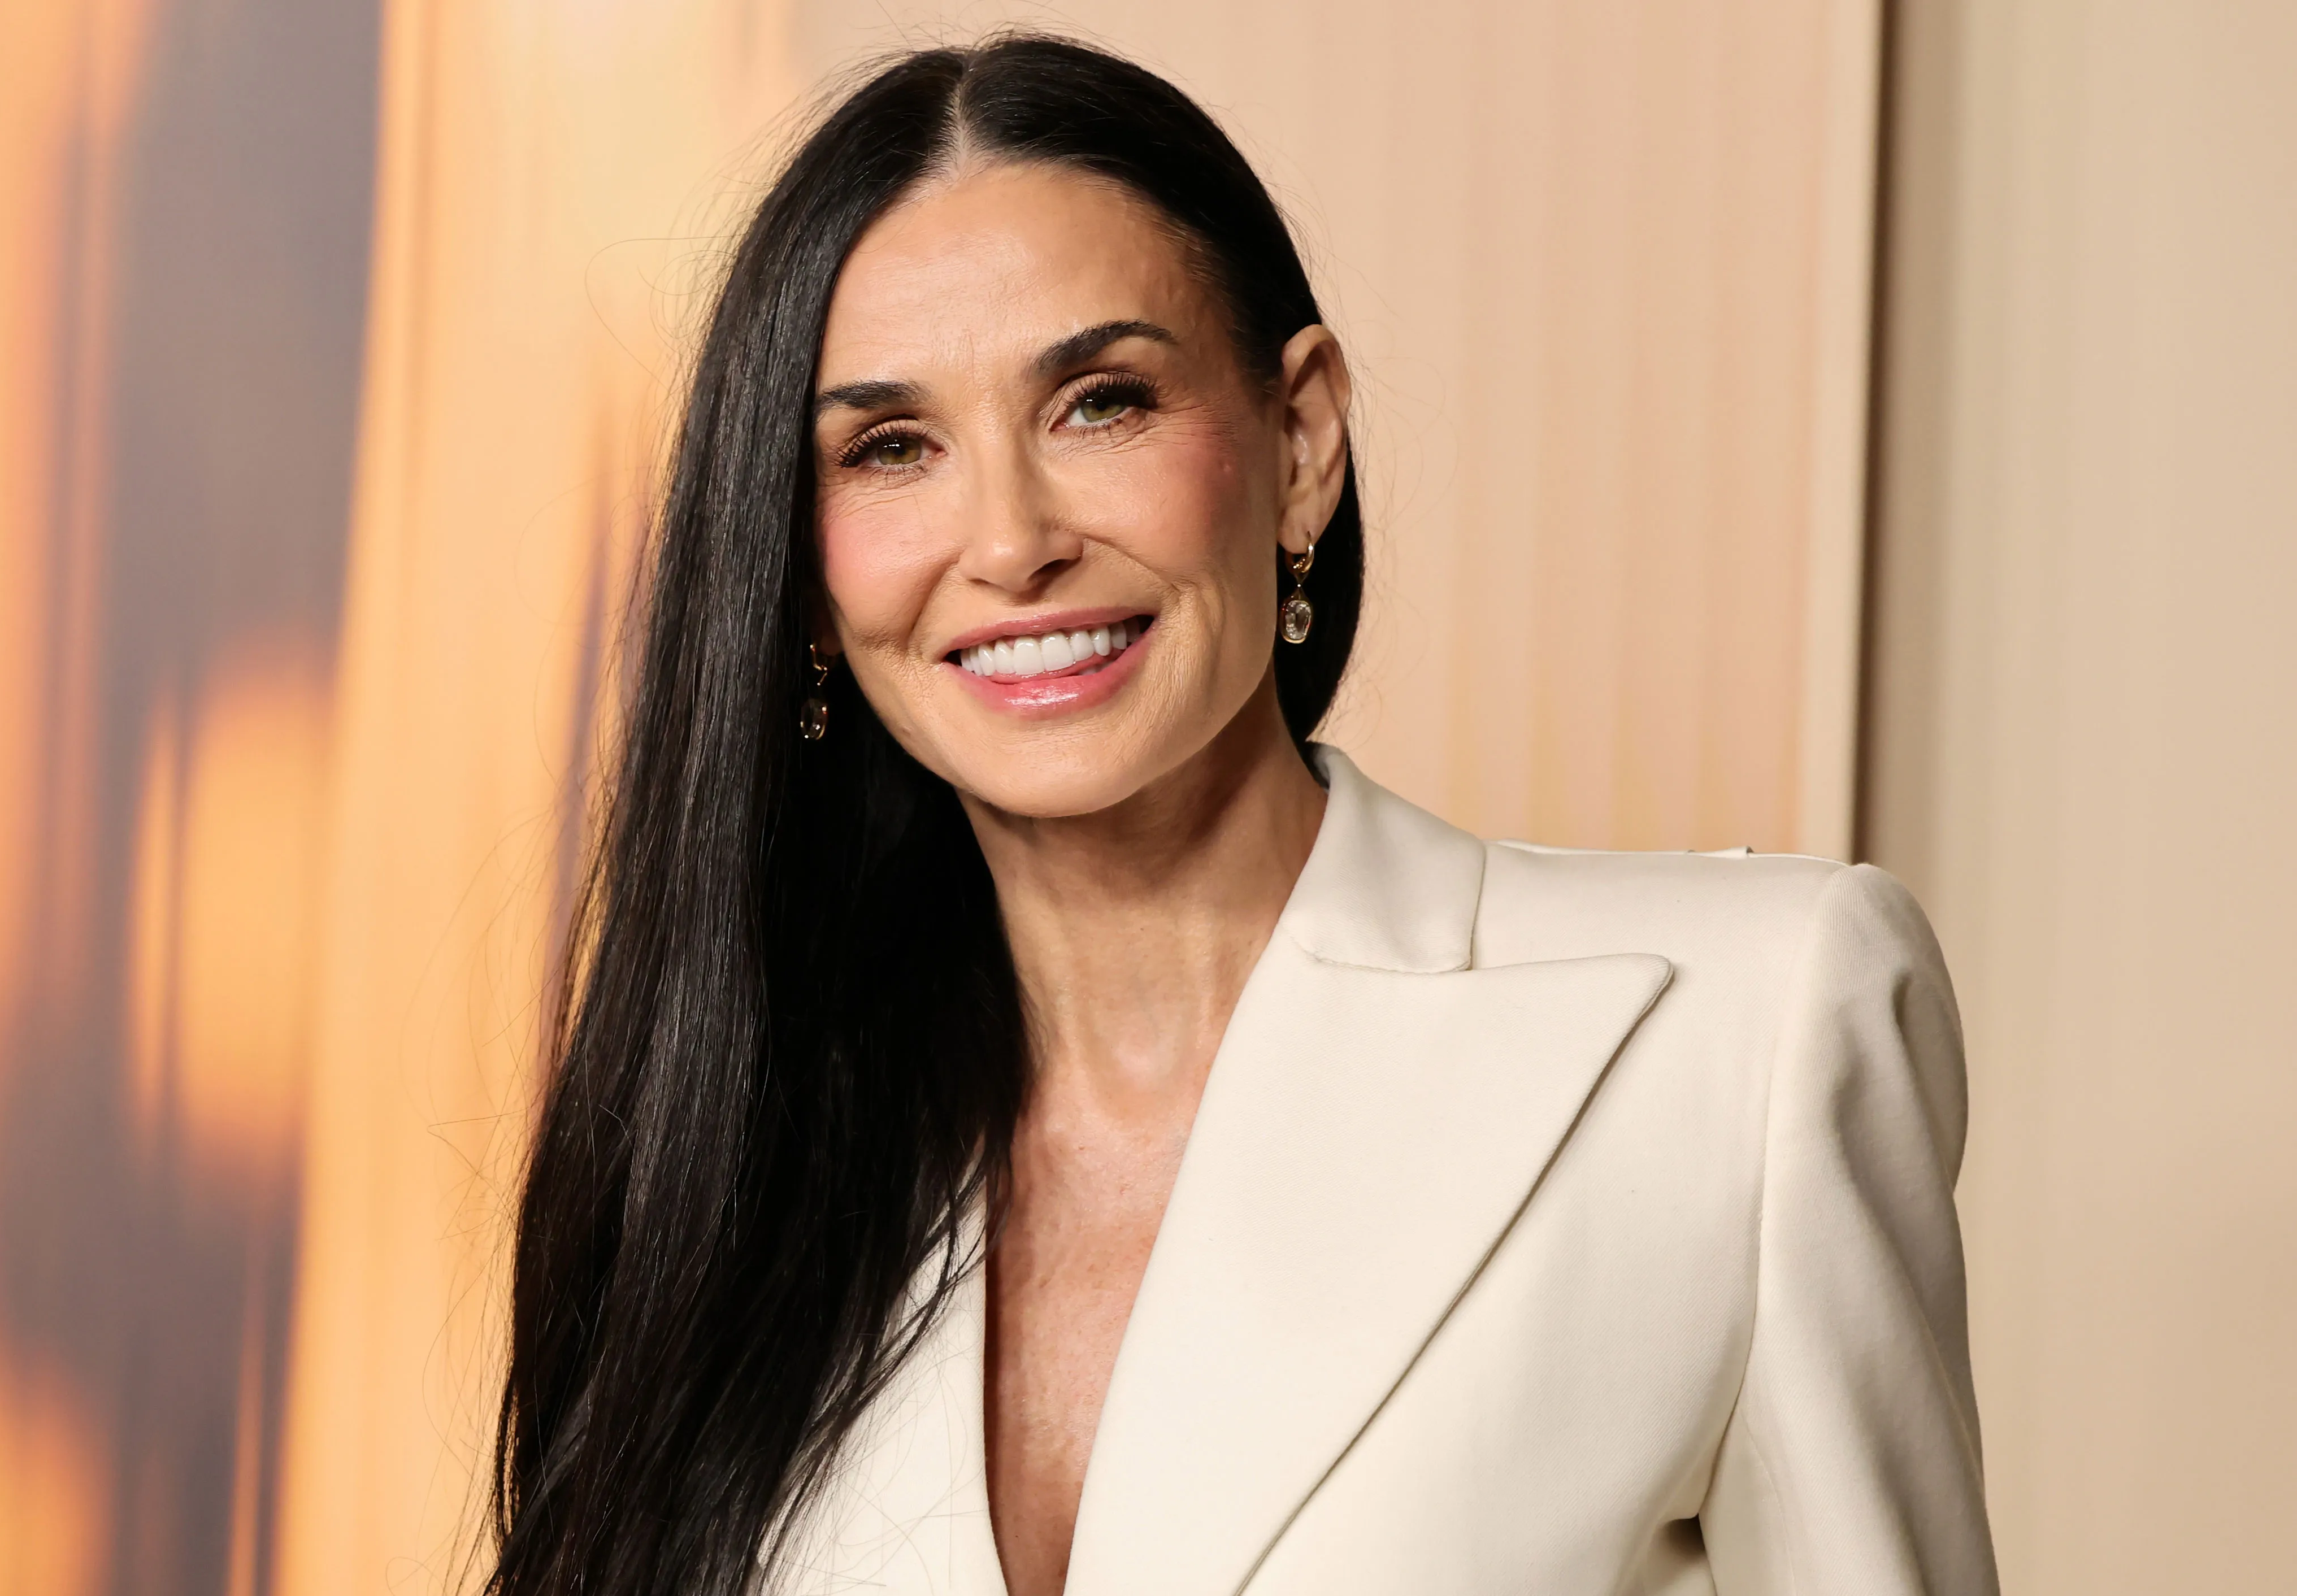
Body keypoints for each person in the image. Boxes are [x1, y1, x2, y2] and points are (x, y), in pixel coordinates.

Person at [489, 33, 1996, 1596]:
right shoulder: (726, 1166)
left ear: (1301, 442)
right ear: (802, 573)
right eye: (892, 447)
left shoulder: (1749, 1030)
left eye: (1102, 403)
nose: (1009, 543)